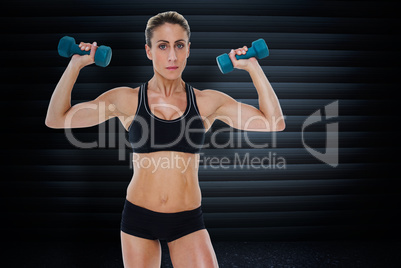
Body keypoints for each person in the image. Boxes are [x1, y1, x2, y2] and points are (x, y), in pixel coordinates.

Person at [45, 11, 285, 268]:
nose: (172, 56)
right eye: (163, 46)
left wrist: (252, 67)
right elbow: (57, 119)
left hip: (187, 221)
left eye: (179, 45)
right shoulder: (126, 99)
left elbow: (274, 122)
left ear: (188, 49)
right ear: (148, 51)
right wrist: (76, 64)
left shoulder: (207, 102)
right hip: (138, 218)